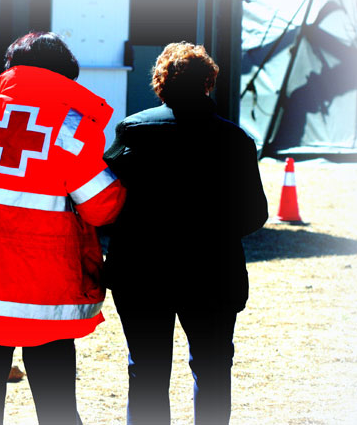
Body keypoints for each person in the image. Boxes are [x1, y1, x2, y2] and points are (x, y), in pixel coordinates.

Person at [0, 32, 126, 425]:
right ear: (65, 77)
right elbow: (102, 209)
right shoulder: (72, 128)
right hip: (48, 295)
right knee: (57, 409)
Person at [103, 42, 268, 425]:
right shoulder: (236, 140)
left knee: (146, 369)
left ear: (160, 84)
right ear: (208, 84)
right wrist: (214, 231)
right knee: (211, 370)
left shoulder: (133, 131)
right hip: (212, 269)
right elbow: (255, 214)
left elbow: (108, 202)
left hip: (142, 270)